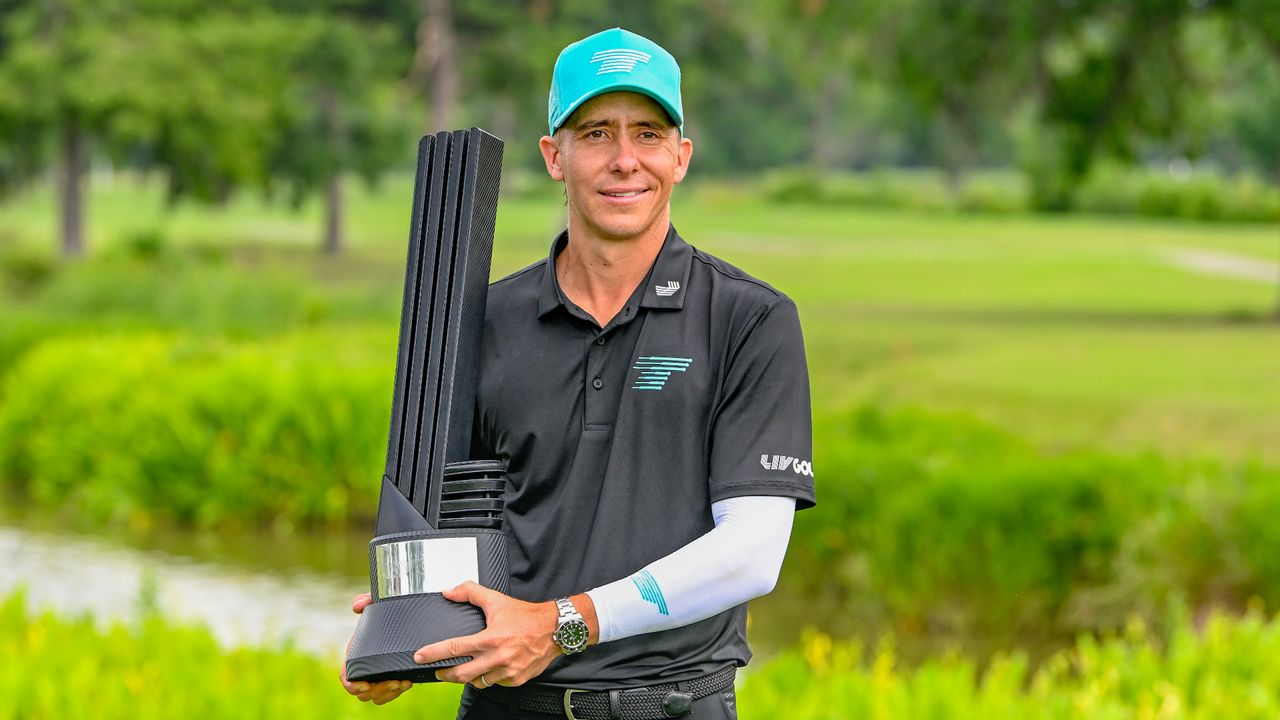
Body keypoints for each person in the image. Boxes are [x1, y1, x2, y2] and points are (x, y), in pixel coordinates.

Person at [341, 27, 815, 720]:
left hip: (672, 705)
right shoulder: (482, 318)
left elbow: (751, 554)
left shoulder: (750, 319)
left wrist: (561, 624)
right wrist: (405, 631)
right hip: (506, 707)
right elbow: (457, 523)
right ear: (553, 156)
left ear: (680, 157)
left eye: (647, 134)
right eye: (595, 133)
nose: (625, 159)